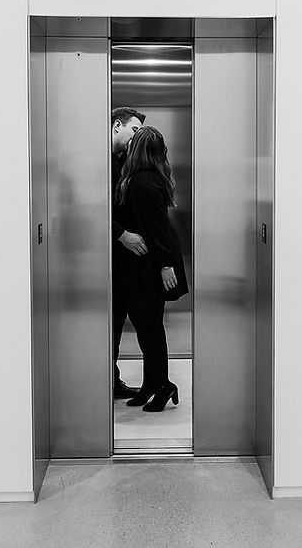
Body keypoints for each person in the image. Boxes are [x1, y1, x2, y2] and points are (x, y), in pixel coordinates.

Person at [113, 125, 188, 412]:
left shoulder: (142, 182)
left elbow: (157, 229)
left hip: (153, 265)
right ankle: (151, 385)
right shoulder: (143, 178)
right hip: (146, 265)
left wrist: (166, 265)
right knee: (147, 328)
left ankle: (163, 386)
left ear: (139, 149)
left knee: (150, 330)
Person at [110, 106, 147, 398]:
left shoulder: (123, 161)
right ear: (116, 126)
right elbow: (92, 205)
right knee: (107, 321)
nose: (136, 137)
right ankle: (104, 382)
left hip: (120, 262)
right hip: (100, 256)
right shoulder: (99, 161)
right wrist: (122, 235)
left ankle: (111, 380)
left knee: (117, 319)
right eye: (134, 130)